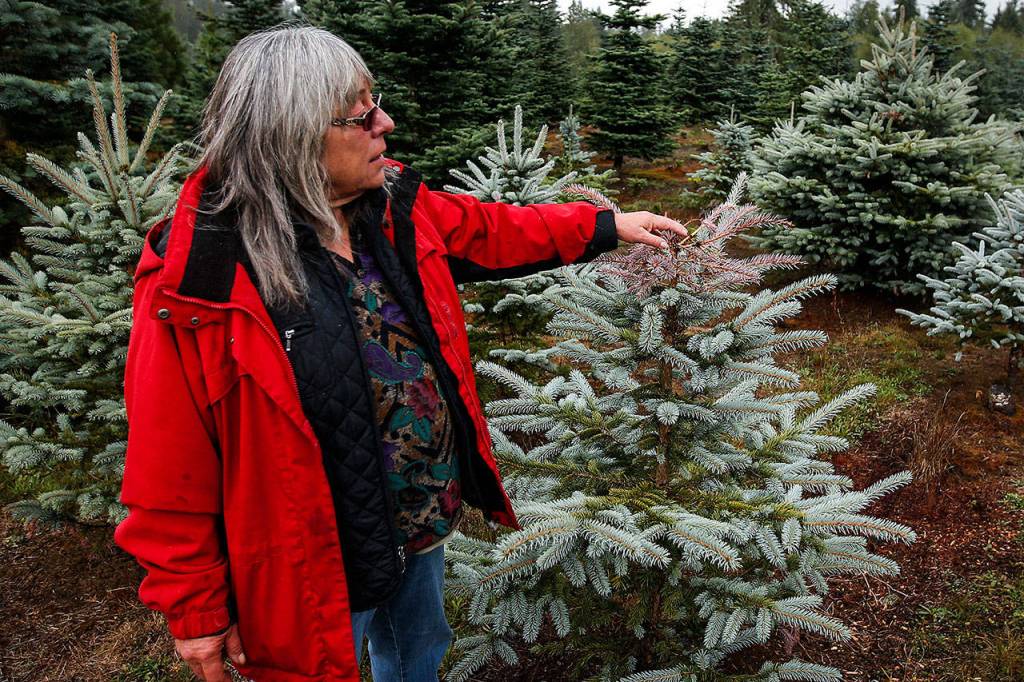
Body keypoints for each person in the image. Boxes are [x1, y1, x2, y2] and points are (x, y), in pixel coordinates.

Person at [114, 25, 689, 682]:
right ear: (294, 134)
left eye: (376, 103)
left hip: (423, 522)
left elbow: (489, 229)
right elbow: (169, 467)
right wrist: (196, 611)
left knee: (418, 651)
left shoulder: (388, 207)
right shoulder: (204, 278)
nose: (385, 123)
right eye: (362, 115)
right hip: (315, 562)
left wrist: (605, 226)